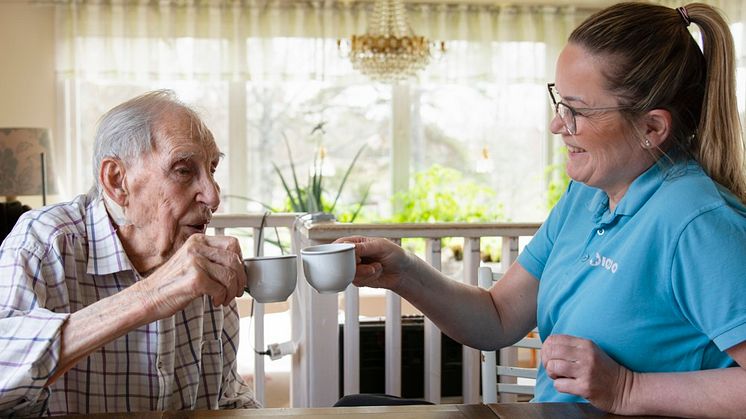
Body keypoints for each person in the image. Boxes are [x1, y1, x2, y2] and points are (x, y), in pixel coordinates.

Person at [340, 2, 746, 417]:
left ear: (652, 128)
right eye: (559, 101)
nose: (557, 125)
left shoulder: (699, 224)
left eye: (578, 110)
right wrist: (403, 271)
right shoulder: (585, 197)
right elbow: (497, 317)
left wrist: (628, 389)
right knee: (353, 405)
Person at [0, 91, 259, 415]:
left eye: (212, 169)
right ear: (117, 181)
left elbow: (227, 398)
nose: (212, 196)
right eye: (183, 170)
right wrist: (150, 295)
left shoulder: (203, 266)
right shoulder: (44, 243)